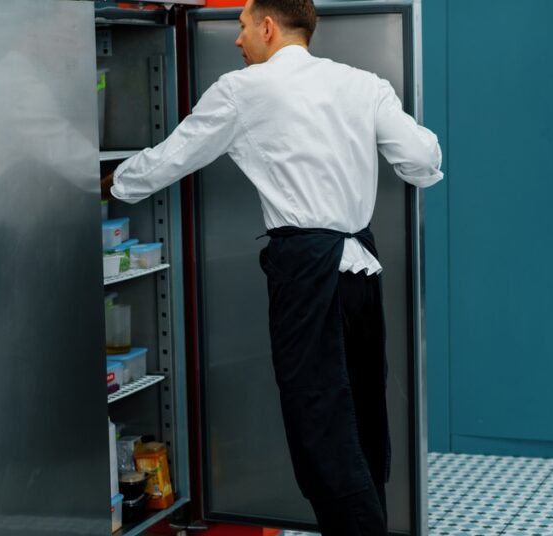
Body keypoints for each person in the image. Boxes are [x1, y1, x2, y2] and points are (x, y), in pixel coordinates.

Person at [102, 0, 443, 532]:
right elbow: (421, 161)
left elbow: (173, 157)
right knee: (360, 414)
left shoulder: (244, 90)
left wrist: (109, 183)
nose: (237, 41)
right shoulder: (364, 83)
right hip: (360, 270)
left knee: (319, 420)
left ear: (266, 25)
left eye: (241, 27)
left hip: (307, 270)